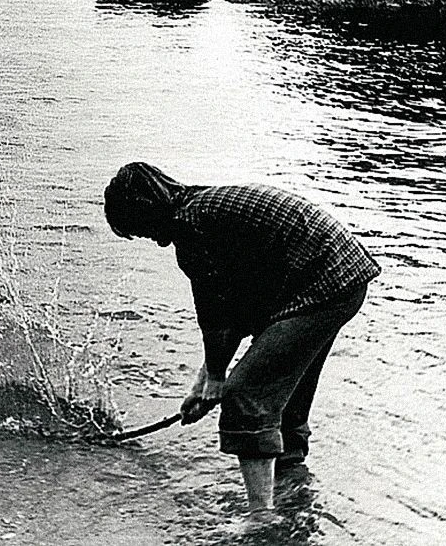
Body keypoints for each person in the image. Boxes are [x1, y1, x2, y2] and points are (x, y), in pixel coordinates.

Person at [103, 162, 381, 511]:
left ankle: (261, 517)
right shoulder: (202, 208)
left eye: (140, 229)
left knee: (245, 395)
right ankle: (292, 491)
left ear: (147, 211)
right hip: (341, 276)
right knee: (283, 395)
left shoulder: (190, 227)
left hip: (322, 282)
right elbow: (234, 313)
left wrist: (218, 380)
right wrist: (203, 383)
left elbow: (215, 318)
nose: (151, 240)